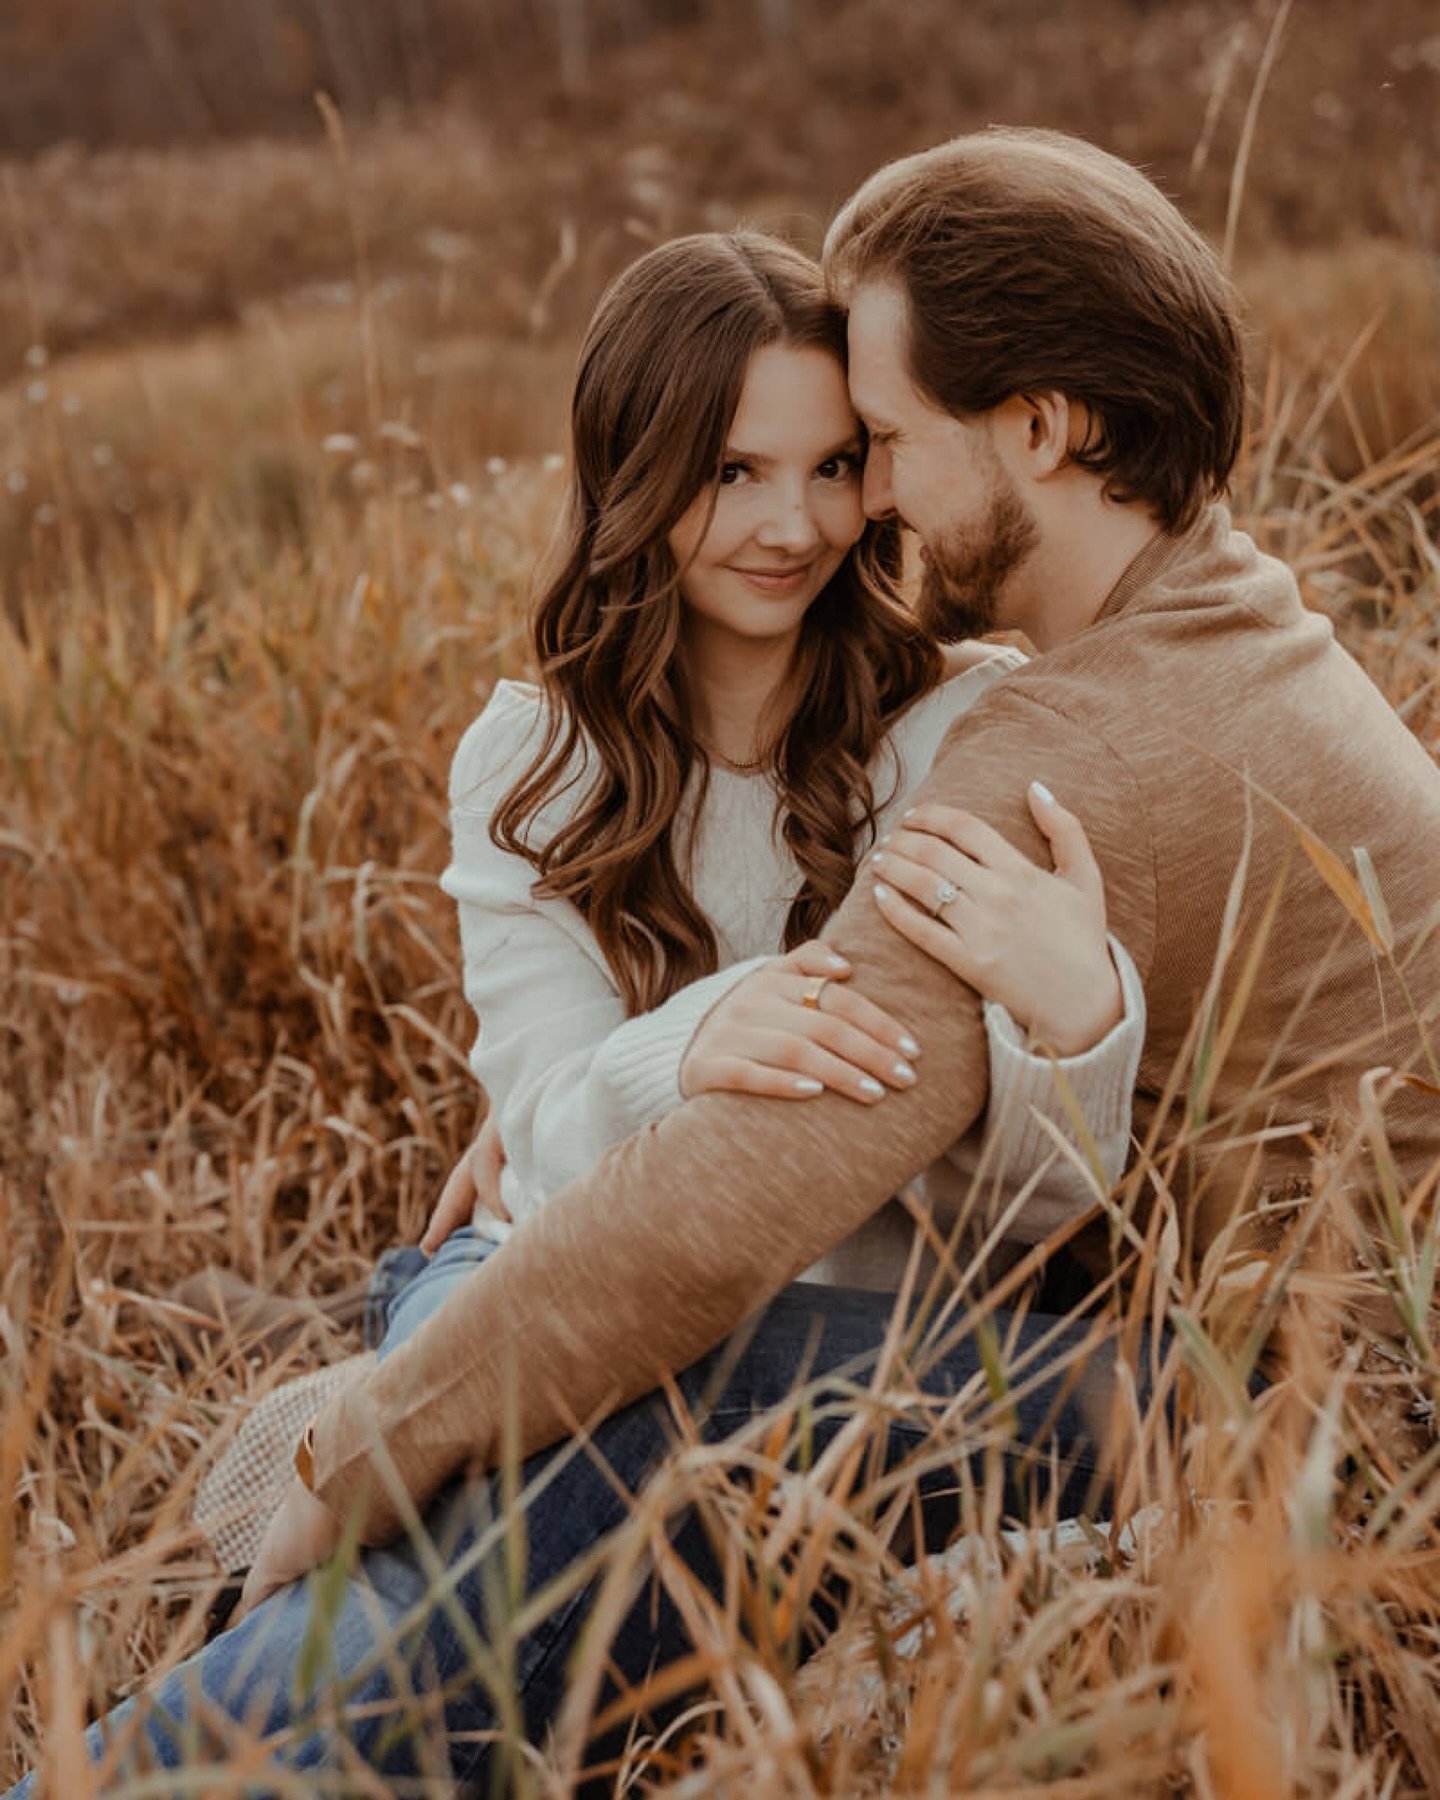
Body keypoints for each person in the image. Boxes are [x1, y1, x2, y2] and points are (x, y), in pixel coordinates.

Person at [223, 126, 1440, 1770]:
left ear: (1037, 428)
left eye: (877, 444)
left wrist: (371, 1443)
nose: (856, 507)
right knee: (553, 1376)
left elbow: (725, 1220)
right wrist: (623, 1083)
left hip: (1325, 1429)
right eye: (748, 468)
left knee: (653, 1387)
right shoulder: (1232, 628)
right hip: (1267, 1373)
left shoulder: (1057, 749)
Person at [11, 225, 1145, 1792]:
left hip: (823, 1338)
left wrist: (1079, 1028)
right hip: (535, 1275)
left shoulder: (963, 725)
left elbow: (1020, 1211)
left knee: (483, 1544)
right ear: (635, 468)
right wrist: (695, 1041)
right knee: (501, 1511)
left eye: (835, 467)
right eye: (733, 472)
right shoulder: (531, 759)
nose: (795, 525)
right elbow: (540, 1127)